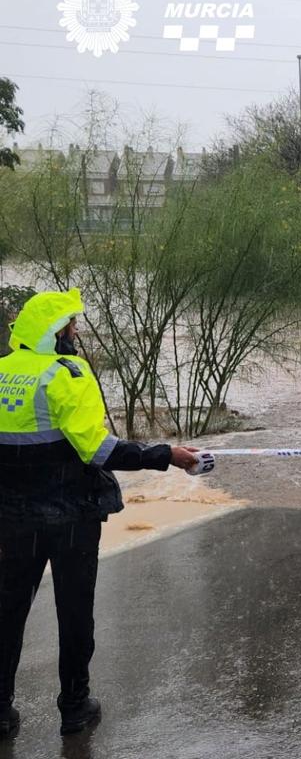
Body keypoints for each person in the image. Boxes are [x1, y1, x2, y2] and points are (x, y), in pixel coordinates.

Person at [0, 289, 198, 739]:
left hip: (12, 520)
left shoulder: (0, 371)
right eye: (72, 326)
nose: (76, 333)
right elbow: (99, 450)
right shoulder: (67, 374)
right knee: (73, 612)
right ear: (57, 332)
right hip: (71, 516)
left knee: (7, 612)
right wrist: (165, 454)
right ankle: (74, 706)